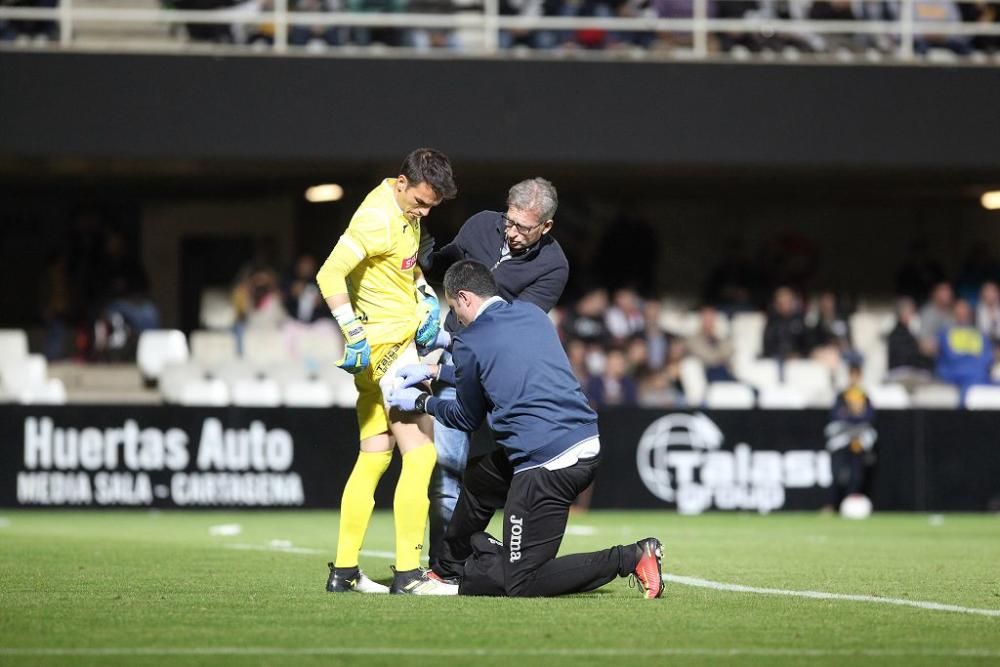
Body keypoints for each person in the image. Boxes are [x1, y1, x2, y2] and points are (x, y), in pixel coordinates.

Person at [387, 260, 664, 598]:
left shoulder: (472, 340)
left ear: (465, 297)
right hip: (581, 442)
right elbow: (499, 368)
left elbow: (465, 417)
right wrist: (433, 373)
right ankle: (447, 570)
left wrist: (422, 404)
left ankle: (632, 556)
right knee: (480, 479)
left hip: (547, 464)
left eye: (454, 307)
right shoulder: (533, 315)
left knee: (523, 581)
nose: (456, 317)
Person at [315, 148, 458, 595]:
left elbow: (403, 271)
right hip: (390, 350)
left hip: (384, 351)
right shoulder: (376, 218)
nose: (424, 210)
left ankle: (344, 570)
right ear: (401, 182)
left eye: (431, 205)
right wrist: (351, 331)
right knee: (421, 454)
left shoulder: (404, 212)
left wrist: (426, 296)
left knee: (374, 454)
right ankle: (409, 574)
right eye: (420, 201)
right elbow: (329, 274)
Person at [418, 177, 569, 570]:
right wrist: (425, 258)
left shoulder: (553, 266)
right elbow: (446, 270)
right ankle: (442, 568)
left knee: (517, 471)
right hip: (456, 366)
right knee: (447, 473)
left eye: (524, 227)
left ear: (546, 227)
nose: (512, 231)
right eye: (510, 220)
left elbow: (513, 325)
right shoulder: (482, 224)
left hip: (503, 381)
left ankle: (514, 563)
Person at [823, 364, 876, 510]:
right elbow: (836, 416)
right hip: (842, 438)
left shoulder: (864, 395)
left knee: (856, 475)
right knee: (837, 473)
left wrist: (852, 417)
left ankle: (850, 504)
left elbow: (869, 418)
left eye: (857, 375)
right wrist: (855, 417)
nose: (854, 378)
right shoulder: (842, 395)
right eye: (852, 374)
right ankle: (832, 505)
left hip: (858, 439)